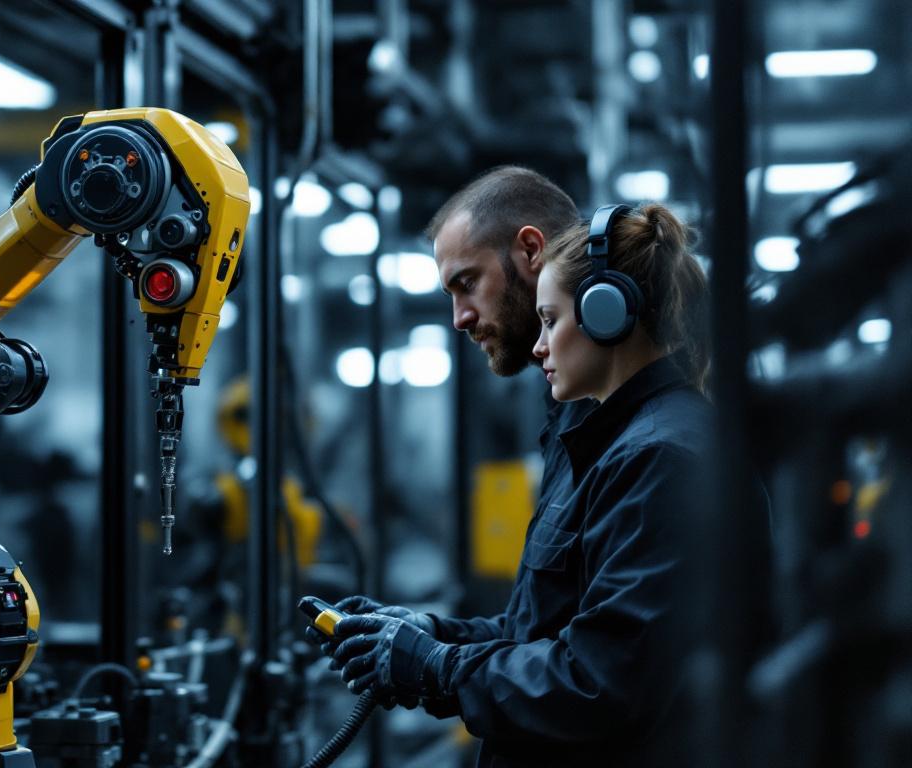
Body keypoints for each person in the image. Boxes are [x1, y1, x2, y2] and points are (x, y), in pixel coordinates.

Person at [313, 203, 769, 766]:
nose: (537, 344)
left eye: (551, 320)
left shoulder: (659, 457)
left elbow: (600, 680)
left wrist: (437, 667)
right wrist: (427, 634)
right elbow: (544, 631)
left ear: (609, 316)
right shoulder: (605, 441)